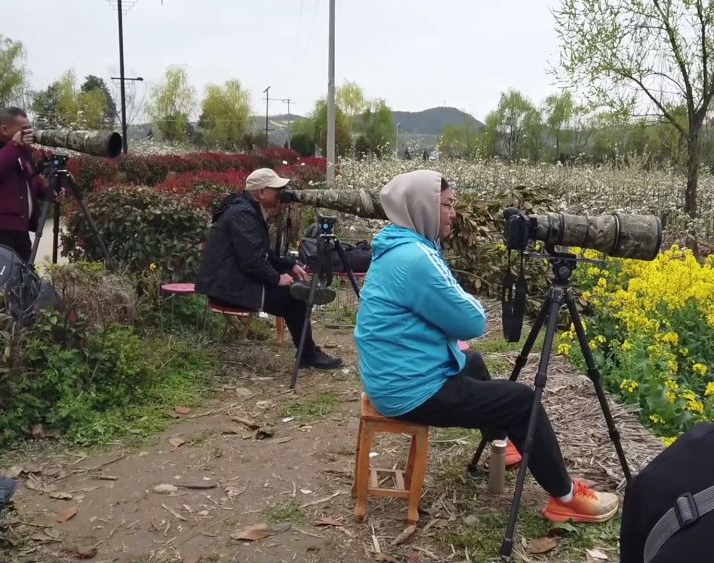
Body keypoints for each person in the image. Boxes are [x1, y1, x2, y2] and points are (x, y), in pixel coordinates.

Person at [354, 169, 620, 523]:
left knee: (473, 361)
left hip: (391, 375)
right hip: (410, 389)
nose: (453, 213)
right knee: (523, 401)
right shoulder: (415, 259)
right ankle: (566, 497)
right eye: (447, 205)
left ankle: (503, 445)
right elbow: (473, 322)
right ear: (423, 208)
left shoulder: (397, 245)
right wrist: (464, 302)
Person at [196, 168, 342, 370]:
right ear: (261, 192)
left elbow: (262, 254)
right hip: (227, 288)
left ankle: (308, 350)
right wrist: (276, 278)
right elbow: (251, 260)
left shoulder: (246, 209)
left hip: (230, 282)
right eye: (277, 190)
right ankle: (308, 354)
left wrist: (289, 265)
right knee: (293, 298)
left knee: (293, 294)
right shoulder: (243, 214)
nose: (281, 195)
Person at [0, 107, 53, 262]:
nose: (29, 133)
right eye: (24, 129)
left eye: (30, 129)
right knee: (1, 273)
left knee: (24, 272)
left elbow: (29, 177)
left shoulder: (19, 147)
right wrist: (14, 146)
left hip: (18, 225)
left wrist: (50, 191)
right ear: (5, 129)